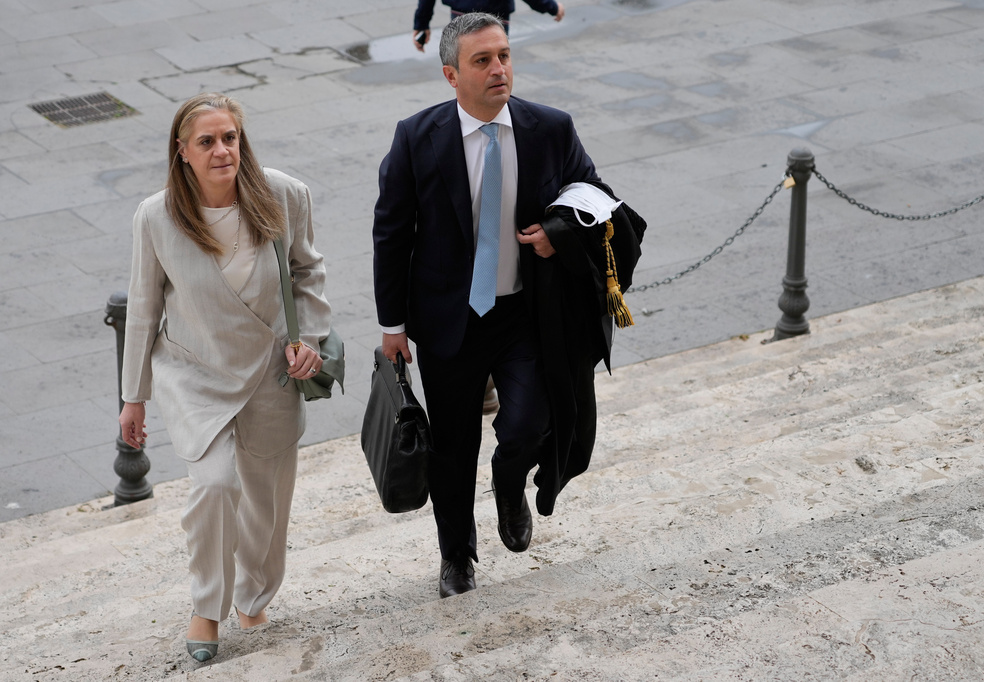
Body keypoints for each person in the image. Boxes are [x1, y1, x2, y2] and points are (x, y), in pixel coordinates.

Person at [373, 12, 613, 599]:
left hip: (524, 314)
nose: (499, 68)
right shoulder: (415, 137)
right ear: (452, 75)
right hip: (448, 320)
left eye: (504, 55)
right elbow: (391, 231)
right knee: (453, 448)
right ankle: (457, 557)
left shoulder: (551, 128)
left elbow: (596, 197)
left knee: (532, 421)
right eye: (483, 60)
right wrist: (392, 325)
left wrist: (559, 230)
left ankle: (511, 483)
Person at [118, 93, 331, 662]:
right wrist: (132, 397)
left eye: (230, 138)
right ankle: (206, 607)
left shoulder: (283, 194)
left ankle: (254, 593)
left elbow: (308, 271)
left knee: (266, 498)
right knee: (214, 484)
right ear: (182, 151)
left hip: (270, 369)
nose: (222, 151)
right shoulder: (156, 216)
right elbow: (142, 308)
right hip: (196, 371)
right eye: (207, 141)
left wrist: (308, 340)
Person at [413, 0, 565, 52]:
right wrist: (551, 7)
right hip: (497, 15)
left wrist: (422, 22)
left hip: (461, 12)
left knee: (467, 63)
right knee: (495, 65)